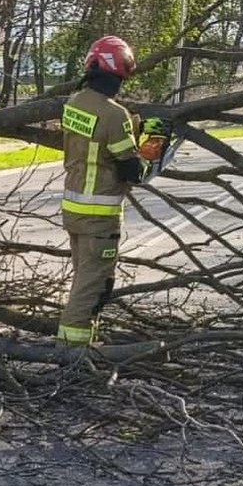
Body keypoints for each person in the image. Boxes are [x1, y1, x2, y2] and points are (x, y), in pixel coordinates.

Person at [55, 35, 167, 347]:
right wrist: (150, 149)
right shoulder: (115, 115)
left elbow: (97, 139)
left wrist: (132, 127)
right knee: (93, 289)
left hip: (74, 210)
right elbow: (131, 170)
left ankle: (83, 345)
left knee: (85, 280)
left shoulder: (75, 103)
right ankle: (71, 352)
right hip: (99, 215)